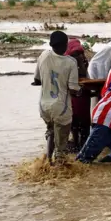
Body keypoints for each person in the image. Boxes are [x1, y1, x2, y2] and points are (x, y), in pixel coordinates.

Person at [32, 31, 81, 164]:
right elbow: (73, 89)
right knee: (62, 145)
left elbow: (37, 80)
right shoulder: (71, 62)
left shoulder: (43, 55)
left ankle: (47, 161)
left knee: (50, 131)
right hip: (61, 109)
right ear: (66, 45)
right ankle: (60, 171)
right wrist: (80, 91)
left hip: (44, 106)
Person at [65, 38, 91, 153]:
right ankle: (75, 146)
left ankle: (83, 149)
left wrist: (81, 62)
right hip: (73, 100)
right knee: (74, 125)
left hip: (83, 98)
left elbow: (85, 75)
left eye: (80, 53)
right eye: (76, 54)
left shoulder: (83, 62)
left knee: (85, 125)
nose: (79, 56)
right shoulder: (65, 65)